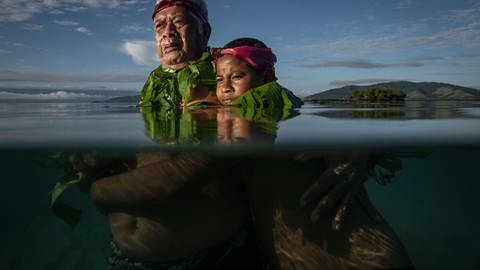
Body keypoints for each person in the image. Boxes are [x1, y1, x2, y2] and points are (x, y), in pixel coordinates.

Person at [88, 1, 376, 269]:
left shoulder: (225, 79)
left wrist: (356, 145)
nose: (167, 32)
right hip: (127, 257)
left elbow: (279, 102)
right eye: (159, 25)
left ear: (205, 31)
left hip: (210, 256)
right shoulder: (154, 89)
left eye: (179, 22)